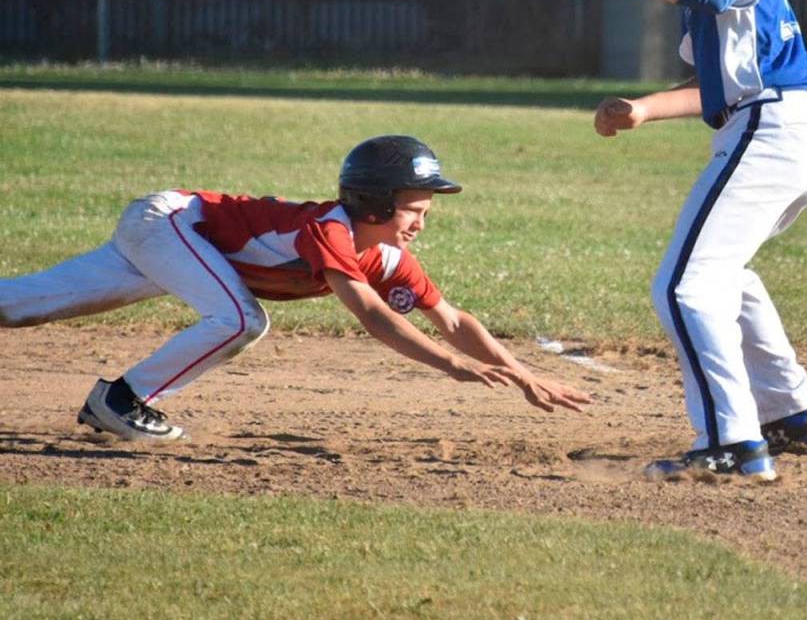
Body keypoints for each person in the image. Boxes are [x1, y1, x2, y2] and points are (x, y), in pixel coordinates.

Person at [0, 134, 591, 442]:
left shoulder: (385, 258)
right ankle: (122, 401)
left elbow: (454, 321)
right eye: (413, 208)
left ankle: (120, 399)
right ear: (375, 203)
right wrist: (448, 367)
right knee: (241, 320)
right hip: (171, 223)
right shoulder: (329, 232)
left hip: (174, 238)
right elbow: (373, 317)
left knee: (19, 308)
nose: (421, 221)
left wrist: (523, 375)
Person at [583, 0, 807, 482]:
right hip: (789, 126)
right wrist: (644, 108)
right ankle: (793, 414)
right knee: (726, 273)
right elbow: (724, 83)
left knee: (683, 286)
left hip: (776, 127)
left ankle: (731, 440)